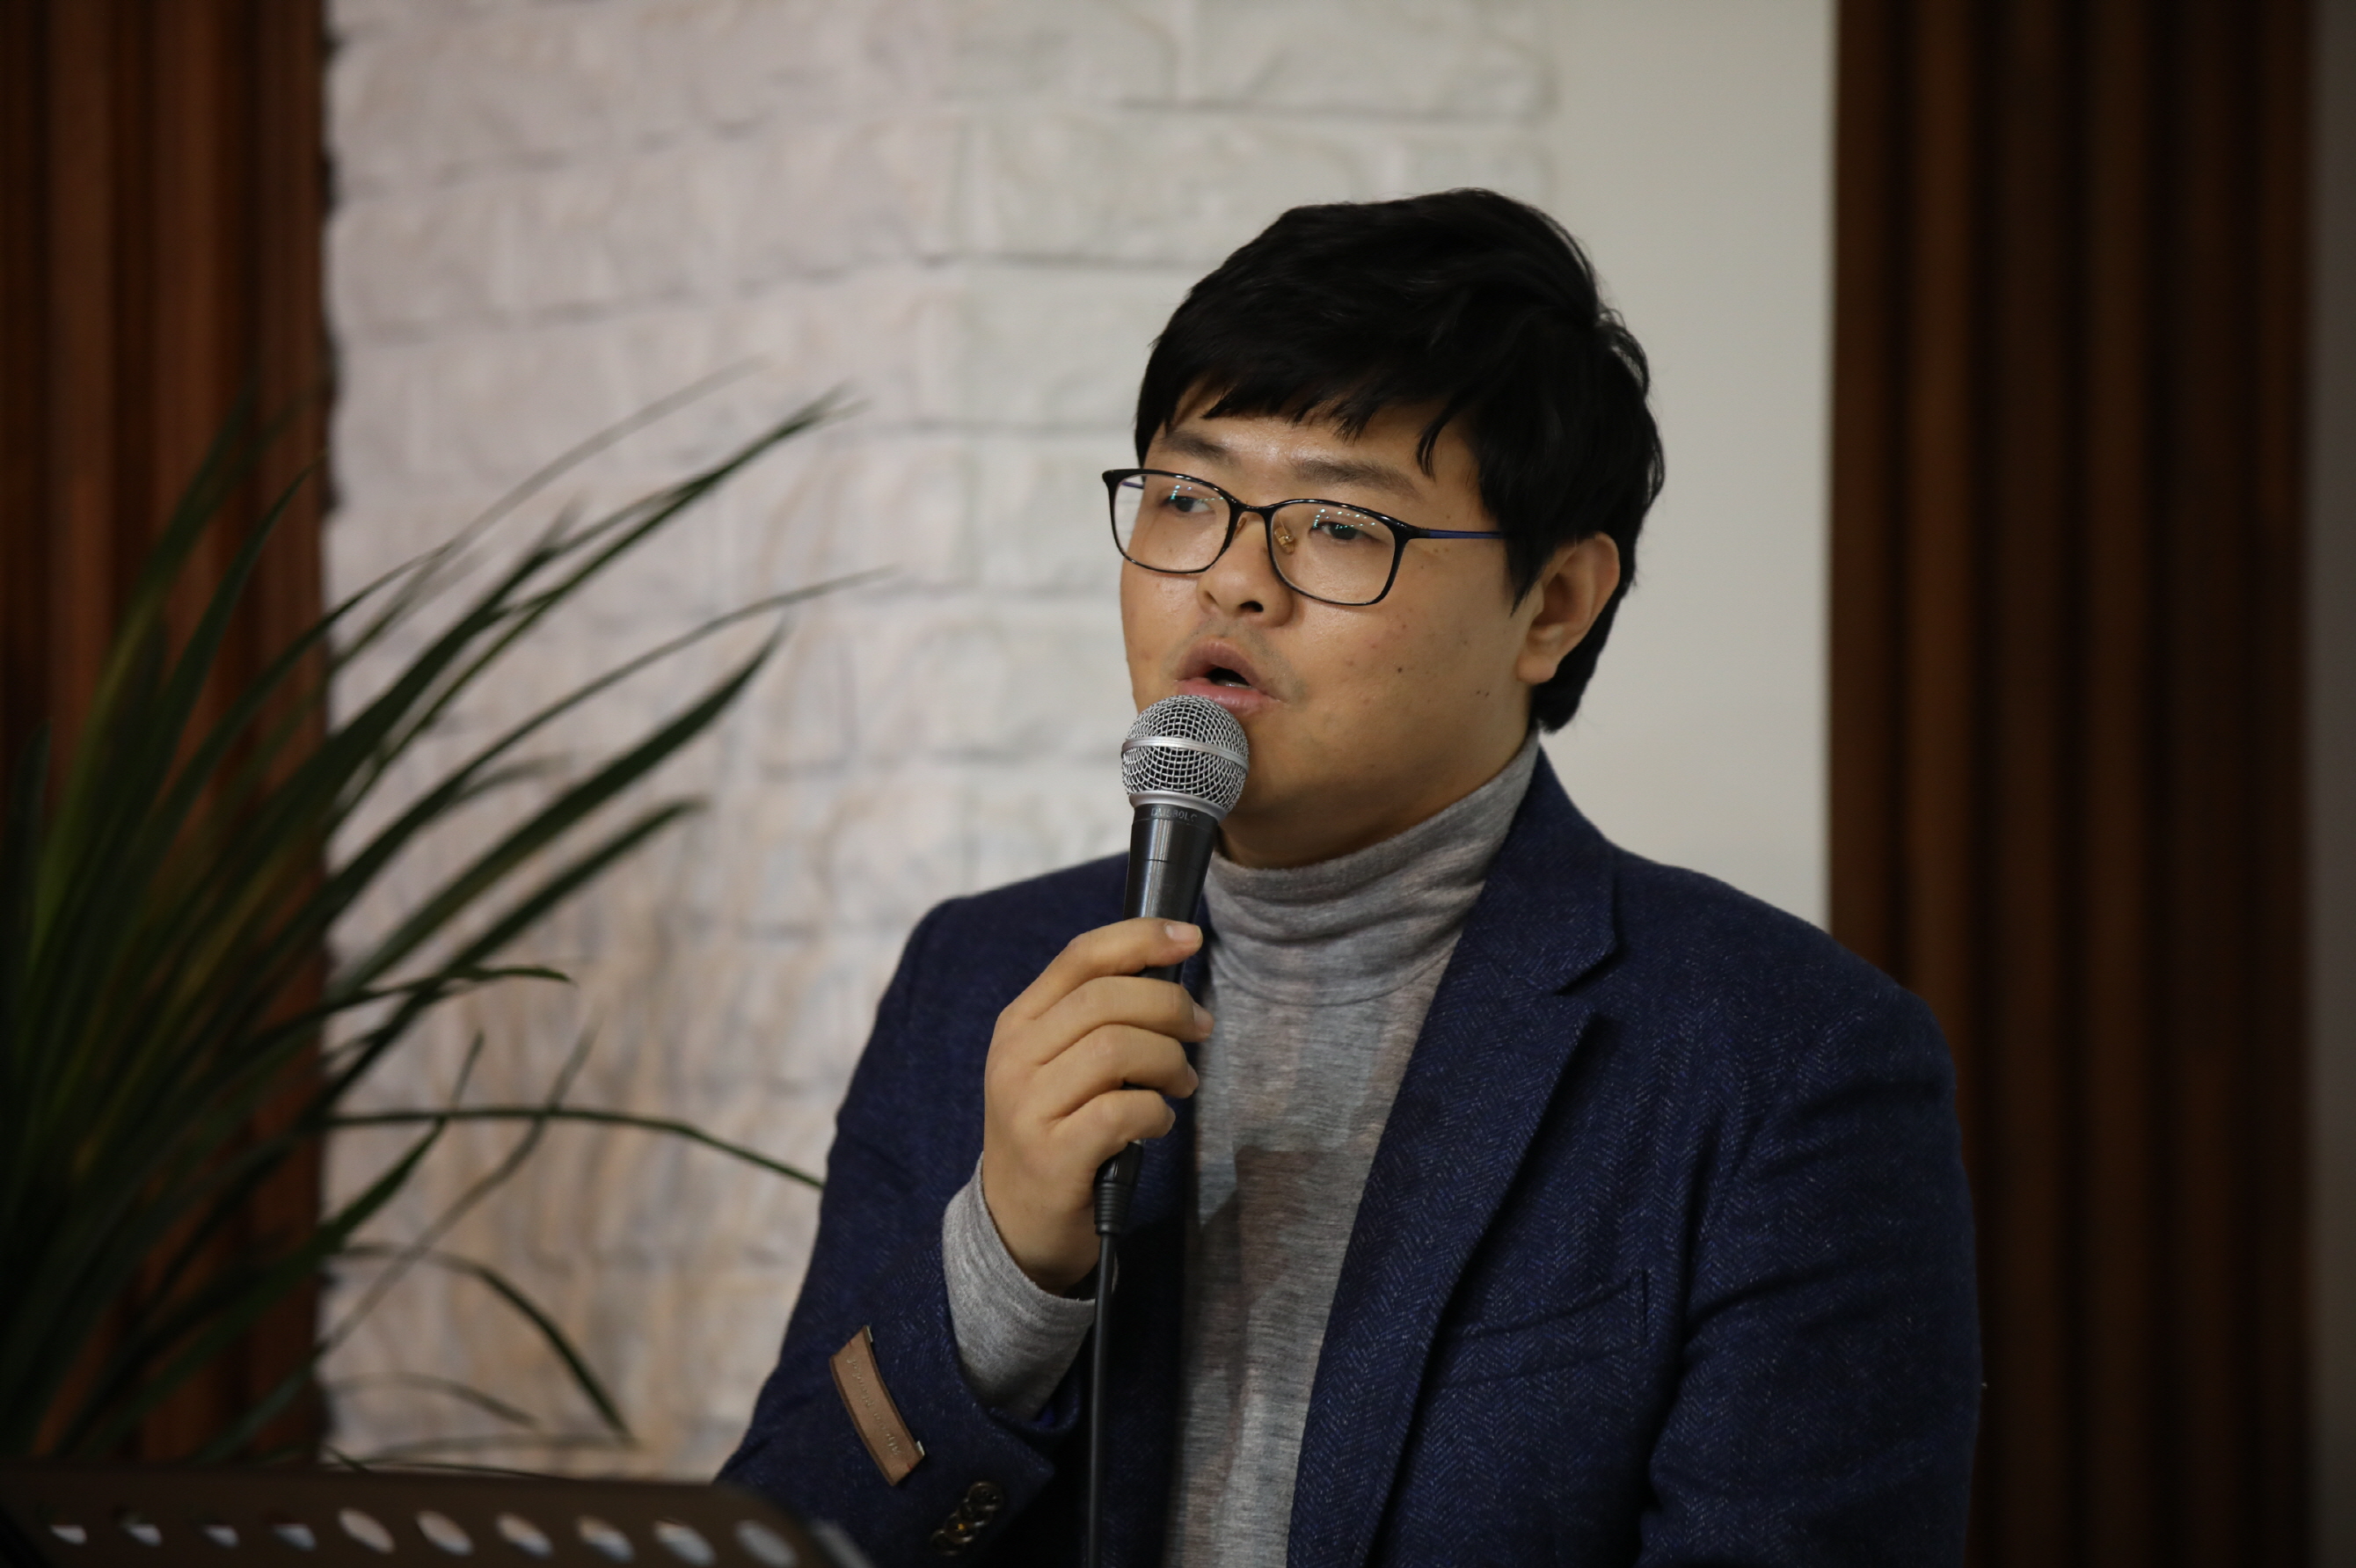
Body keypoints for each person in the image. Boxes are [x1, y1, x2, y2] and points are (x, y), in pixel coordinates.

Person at [722, 188, 1980, 1566]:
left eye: (1335, 524)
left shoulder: (1781, 1060)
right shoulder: (976, 979)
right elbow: (775, 1536)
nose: (1231, 582)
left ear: (1555, 605)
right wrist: (1004, 1272)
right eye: (1187, 498)